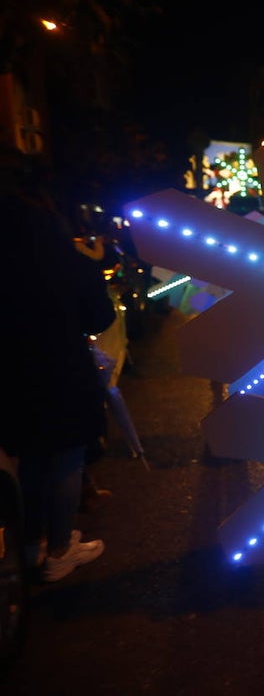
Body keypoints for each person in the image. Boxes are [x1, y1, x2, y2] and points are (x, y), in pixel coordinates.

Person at [0, 149, 112, 581]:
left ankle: (27, 550)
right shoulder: (51, 238)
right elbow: (97, 313)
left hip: (11, 369)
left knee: (28, 460)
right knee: (66, 458)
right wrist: (92, 263)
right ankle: (60, 549)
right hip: (57, 365)